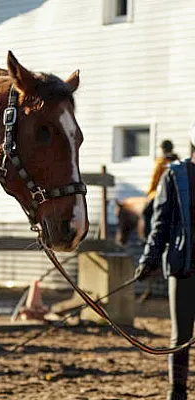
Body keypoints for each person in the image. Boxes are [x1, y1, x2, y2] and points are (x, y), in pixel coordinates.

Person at [136, 133, 195, 400]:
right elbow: (159, 225)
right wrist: (149, 259)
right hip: (184, 266)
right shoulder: (173, 174)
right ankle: (177, 392)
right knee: (181, 334)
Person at [142, 140, 179, 237]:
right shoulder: (177, 161)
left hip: (159, 193)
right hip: (175, 194)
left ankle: (147, 237)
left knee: (146, 212)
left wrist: (149, 194)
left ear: (163, 149)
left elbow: (154, 180)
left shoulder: (161, 162)